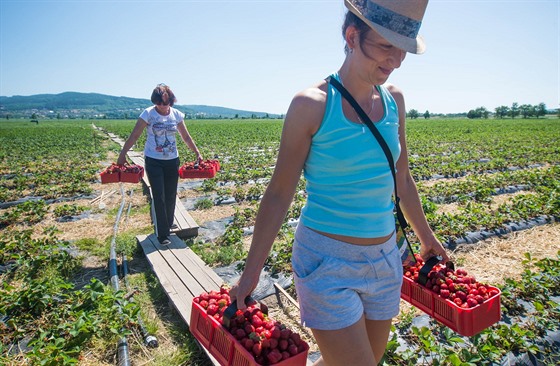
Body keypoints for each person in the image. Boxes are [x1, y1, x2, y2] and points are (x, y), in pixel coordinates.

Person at [229, 1, 449, 365]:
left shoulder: (395, 101)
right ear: (352, 36)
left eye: (402, 49)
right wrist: (252, 272)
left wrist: (427, 239)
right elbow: (279, 193)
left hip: (385, 261)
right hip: (327, 261)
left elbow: (402, 177)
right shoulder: (312, 105)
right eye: (385, 46)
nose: (395, 59)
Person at [116, 83, 202, 246]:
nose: (162, 106)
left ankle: (169, 223)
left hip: (172, 160)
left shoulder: (176, 115)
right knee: (159, 196)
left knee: (170, 194)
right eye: (159, 103)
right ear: (155, 101)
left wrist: (197, 153)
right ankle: (163, 234)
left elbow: (186, 137)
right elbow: (134, 135)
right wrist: (122, 154)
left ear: (171, 101)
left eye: (166, 103)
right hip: (153, 160)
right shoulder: (148, 114)